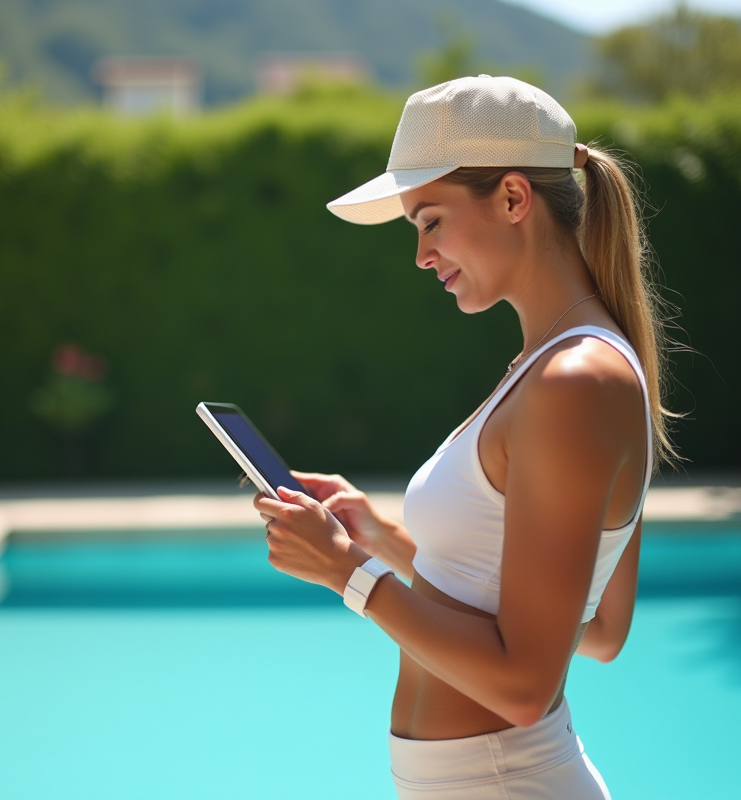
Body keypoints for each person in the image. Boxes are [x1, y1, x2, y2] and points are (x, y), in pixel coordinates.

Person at [252, 75, 678, 799]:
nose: (420, 255)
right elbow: (598, 626)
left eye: (430, 221)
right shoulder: (554, 368)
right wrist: (381, 536)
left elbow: (525, 688)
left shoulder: (573, 381)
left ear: (513, 198)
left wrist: (348, 572)